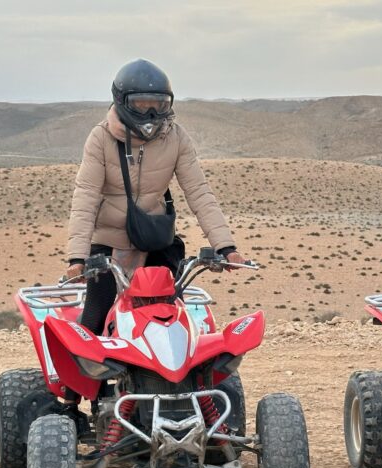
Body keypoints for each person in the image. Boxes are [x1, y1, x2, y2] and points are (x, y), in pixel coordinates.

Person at [65, 59, 246, 335]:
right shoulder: (101, 138)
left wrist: (225, 247)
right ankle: (86, 380)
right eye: (141, 104)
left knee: (174, 320)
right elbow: (86, 197)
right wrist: (77, 258)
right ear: (122, 101)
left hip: (155, 239)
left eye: (158, 105)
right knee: (95, 320)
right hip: (108, 242)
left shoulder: (176, 137)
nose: (150, 113)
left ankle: (193, 380)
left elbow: (199, 191)